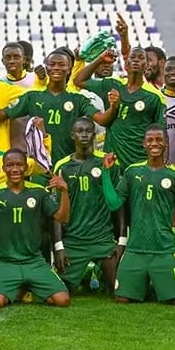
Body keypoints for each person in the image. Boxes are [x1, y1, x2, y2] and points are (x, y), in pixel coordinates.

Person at [100, 126, 175, 305]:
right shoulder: (132, 172)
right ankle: (149, 282)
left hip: (164, 248)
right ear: (143, 144)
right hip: (135, 248)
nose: (154, 143)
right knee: (121, 299)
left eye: (159, 139)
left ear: (166, 143)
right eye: (150, 140)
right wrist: (106, 173)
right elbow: (114, 204)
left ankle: (157, 281)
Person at [0, 150, 72, 310]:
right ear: (4, 167)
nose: (15, 169)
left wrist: (64, 191)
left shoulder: (38, 191)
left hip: (34, 262)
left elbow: (63, 218)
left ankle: (25, 287)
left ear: (26, 167)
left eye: (19, 165)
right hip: (4, 262)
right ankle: (18, 288)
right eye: (10, 165)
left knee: (63, 300)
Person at [0, 49, 118, 165]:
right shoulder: (32, 96)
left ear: (69, 68)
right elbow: (2, 115)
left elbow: (102, 120)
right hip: (39, 165)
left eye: (61, 65)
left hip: (69, 164)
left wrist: (113, 107)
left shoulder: (78, 98)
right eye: (52, 64)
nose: (56, 68)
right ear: (47, 68)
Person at [52, 118, 125, 294]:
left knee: (120, 291)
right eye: (79, 131)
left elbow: (119, 205)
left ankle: (99, 272)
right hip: (74, 242)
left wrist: (122, 241)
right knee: (61, 292)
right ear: (72, 135)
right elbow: (57, 211)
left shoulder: (108, 162)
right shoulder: (62, 166)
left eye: (88, 131)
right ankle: (84, 272)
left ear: (94, 135)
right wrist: (59, 247)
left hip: (103, 240)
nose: (84, 134)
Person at [73, 47, 165, 171]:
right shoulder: (113, 85)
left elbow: (161, 133)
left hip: (140, 162)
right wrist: (100, 60)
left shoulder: (155, 97)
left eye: (141, 58)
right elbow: (79, 81)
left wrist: (161, 163)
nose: (136, 60)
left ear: (147, 65)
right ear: (126, 64)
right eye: (133, 57)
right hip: (112, 160)